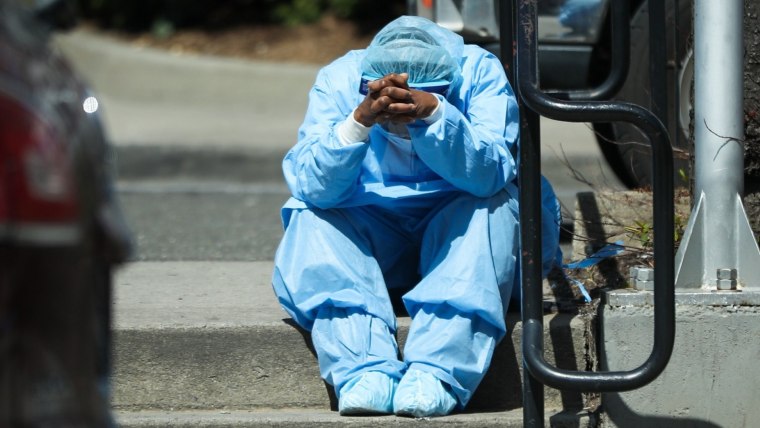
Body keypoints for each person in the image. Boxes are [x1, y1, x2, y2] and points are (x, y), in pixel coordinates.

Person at [271, 16, 562, 418]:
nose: (399, 110)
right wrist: (358, 122)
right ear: (366, 81)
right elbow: (312, 184)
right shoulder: (339, 77)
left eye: (415, 95)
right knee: (311, 215)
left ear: (449, 84)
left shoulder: (477, 70)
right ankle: (363, 369)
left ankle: (437, 370)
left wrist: (436, 113)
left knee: (492, 204)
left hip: (463, 242)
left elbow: (490, 174)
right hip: (377, 242)